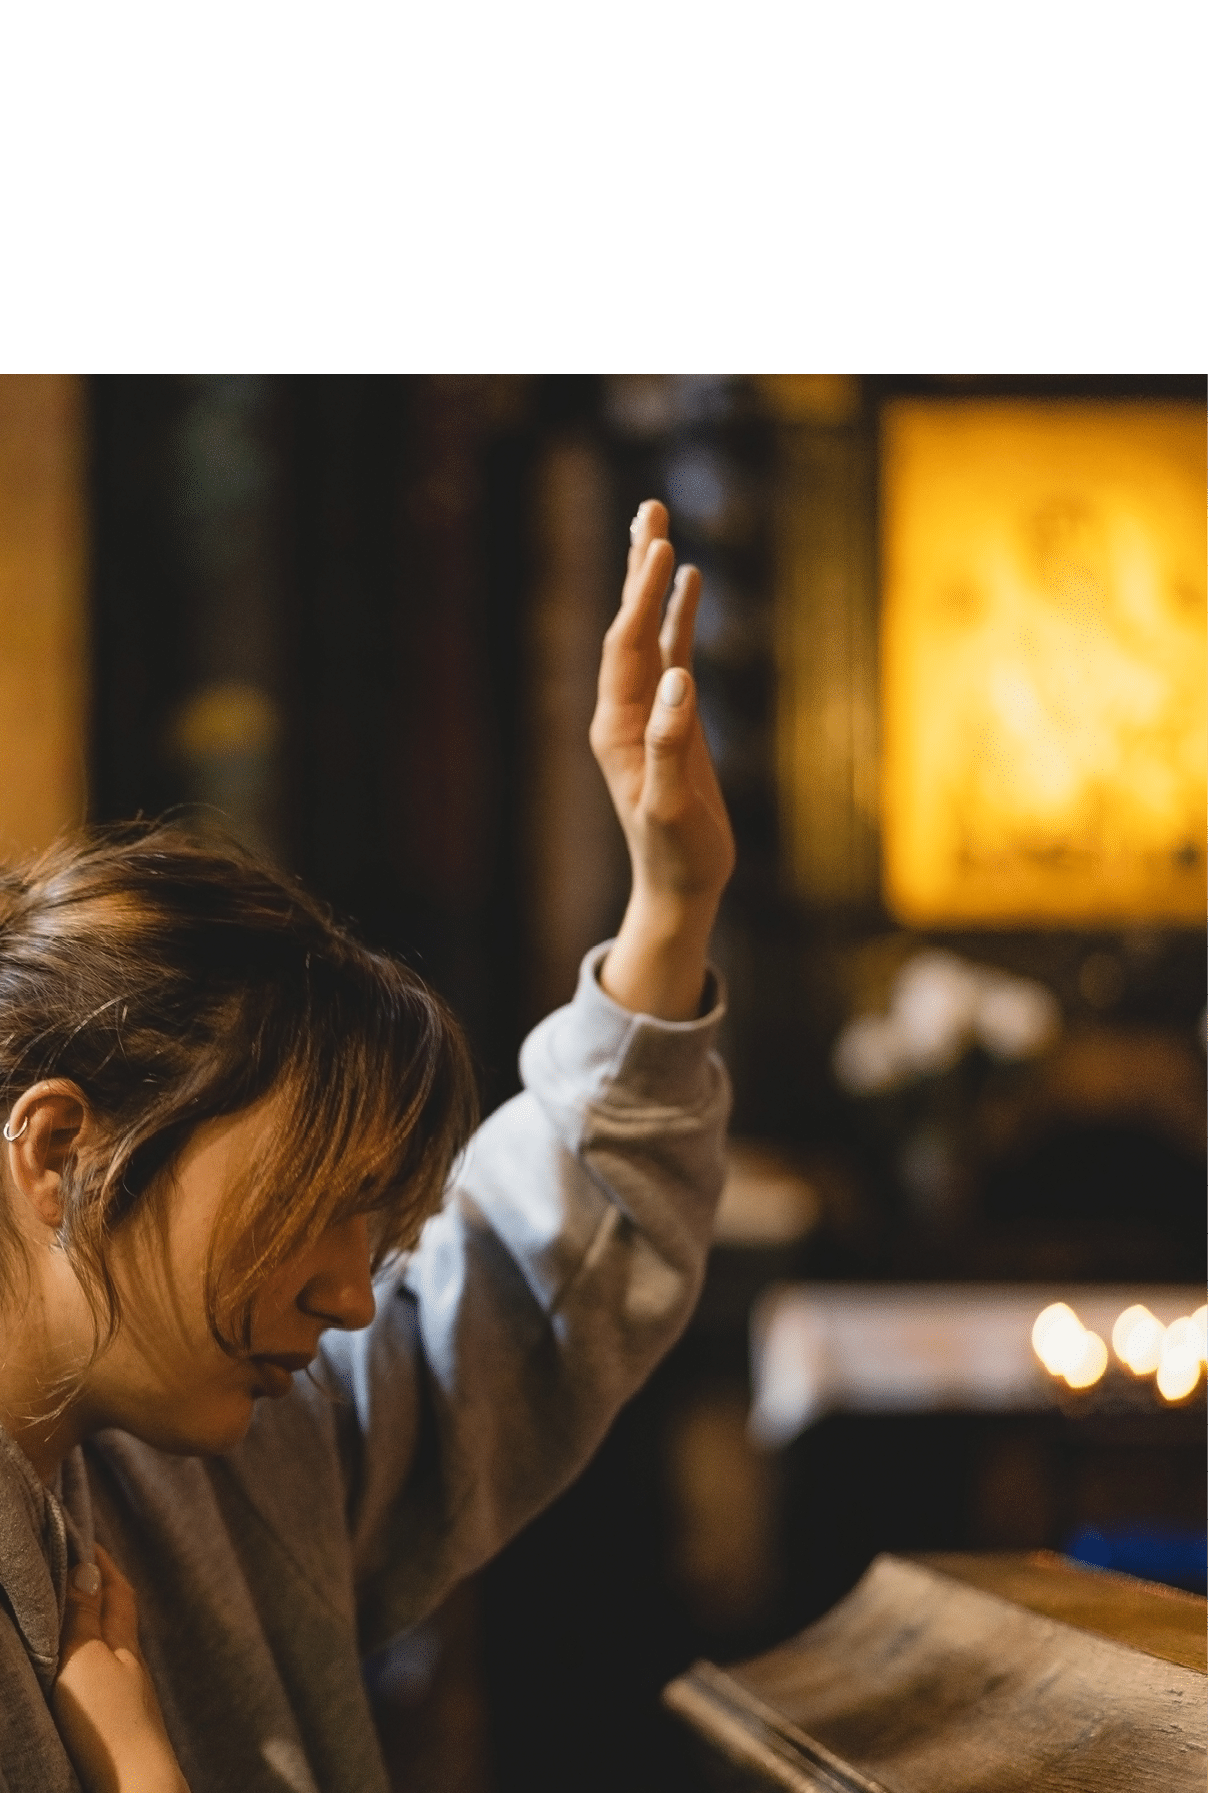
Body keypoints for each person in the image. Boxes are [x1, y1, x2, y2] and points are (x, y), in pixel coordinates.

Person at [0, 500, 735, 1793]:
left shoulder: (202, 1449)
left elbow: (495, 1310)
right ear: (62, 1151)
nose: (351, 1296)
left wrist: (671, 909)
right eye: (310, 1203)